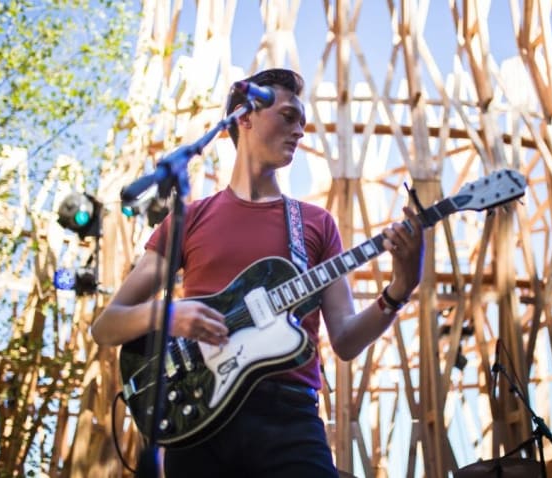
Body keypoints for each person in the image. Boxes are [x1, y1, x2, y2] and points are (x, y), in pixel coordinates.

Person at [91, 68, 425, 477]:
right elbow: (107, 326)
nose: (300, 132)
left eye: (303, 122)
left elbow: (345, 340)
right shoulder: (190, 218)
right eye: (289, 117)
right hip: (198, 417)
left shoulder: (316, 224)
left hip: (289, 418)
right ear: (244, 117)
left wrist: (399, 290)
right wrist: (171, 316)